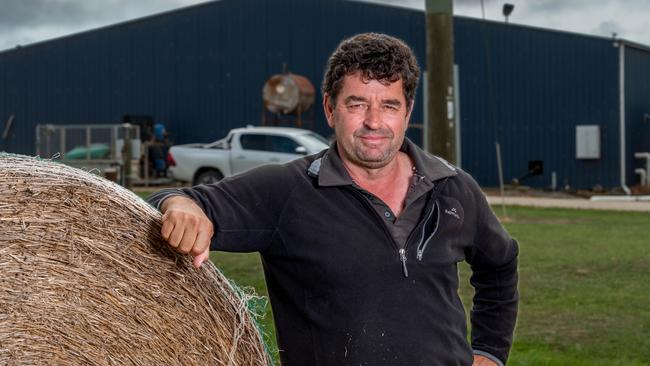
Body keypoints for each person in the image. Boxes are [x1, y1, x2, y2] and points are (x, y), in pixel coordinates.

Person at [148, 33, 518, 366]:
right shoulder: (287, 190)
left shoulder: (452, 187)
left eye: (389, 105)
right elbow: (178, 199)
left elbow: (499, 264)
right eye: (357, 105)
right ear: (330, 109)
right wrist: (181, 207)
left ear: (407, 112)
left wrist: (489, 352)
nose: (374, 121)